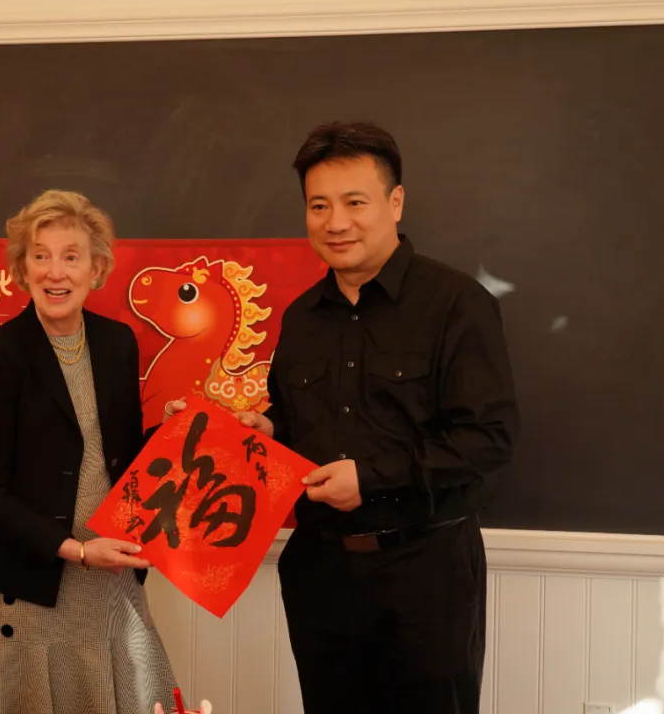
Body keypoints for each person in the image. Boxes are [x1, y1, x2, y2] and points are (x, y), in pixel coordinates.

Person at [170, 121, 519, 712]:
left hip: (426, 572)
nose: (336, 222)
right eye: (319, 205)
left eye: (355, 202)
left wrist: (372, 477)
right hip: (320, 572)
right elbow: (292, 420)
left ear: (395, 202)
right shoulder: (302, 316)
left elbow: (490, 438)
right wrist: (263, 432)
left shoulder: (457, 304)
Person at [0, 189, 178, 714]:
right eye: (40, 256)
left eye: (71, 256)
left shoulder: (118, 343)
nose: (55, 272)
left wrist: (173, 434)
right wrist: (77, 551)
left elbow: (122, 458)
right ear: (22, 269)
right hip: (36, 581)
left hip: (113, 575)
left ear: (96, 269)